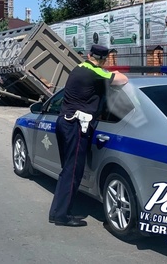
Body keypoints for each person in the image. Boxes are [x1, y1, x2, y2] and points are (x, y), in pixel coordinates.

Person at [49, 44, 128, 227]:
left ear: (88, 54)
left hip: (65, 122)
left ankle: (57, 212)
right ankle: (62, 216)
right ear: (102, 59)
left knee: (68, 169)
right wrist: (111, 71)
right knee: (73, 170)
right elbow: (122, 80)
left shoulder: (80, 68)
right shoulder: (94, 72)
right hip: (76, 125)